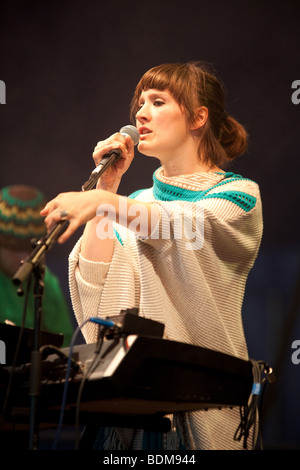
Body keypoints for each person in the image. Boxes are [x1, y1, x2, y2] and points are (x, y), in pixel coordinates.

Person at [41, 62, 263, 450]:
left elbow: (185, 227)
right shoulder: (134, 203)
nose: (141, 114)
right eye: (140, 103)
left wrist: (103, 200)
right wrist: (109, 186)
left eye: (157, 102)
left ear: (198, 118)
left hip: (201, 406)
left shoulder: (239, 196)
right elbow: (95, 278)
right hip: (124, 408)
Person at [0, 184, 74, 347]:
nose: (24, 257)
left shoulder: (46, 281)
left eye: (32, 249)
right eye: (14, 248)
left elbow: (63, 345)